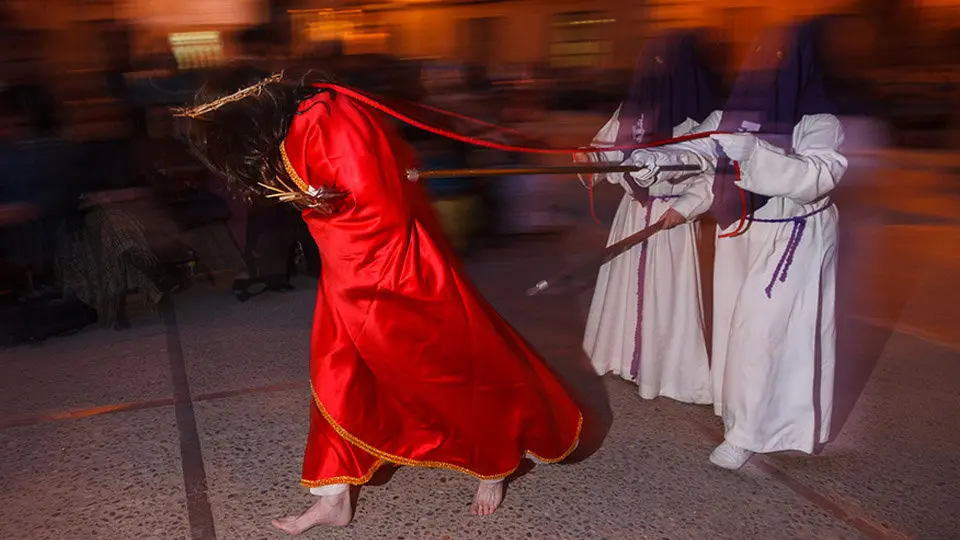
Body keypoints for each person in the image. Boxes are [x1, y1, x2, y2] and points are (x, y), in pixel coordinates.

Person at [179, 68, 582, 534]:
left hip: (394, 272)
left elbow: (381, 211)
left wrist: (318, 208)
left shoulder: (329, 119)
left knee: (445, 370)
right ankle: (333, 497)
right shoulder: (301, 119)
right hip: (347, 271)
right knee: (336, 378)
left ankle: (494, 462)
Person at [703, 22, 848, 470]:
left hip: (794, 236)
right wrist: (651, 162)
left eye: (780, 56)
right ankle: (745, 415)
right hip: (746, 231)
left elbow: (820, 175)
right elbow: (696, 151)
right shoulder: (736, 111)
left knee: (762, 329)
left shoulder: (821, 120)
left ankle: (748, 432)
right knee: (738, 328)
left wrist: (757, 154)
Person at [579, 32, 720, 405]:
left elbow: (712, 176)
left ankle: (664, 371)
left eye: (664, 62)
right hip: (632, 214)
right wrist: (588, 161)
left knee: (667, 293)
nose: (655, 70)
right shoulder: (632, 109)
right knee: (625, 286)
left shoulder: (701, 115)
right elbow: (606, 150)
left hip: (669, 217)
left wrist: (685, 207)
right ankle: (621, 356)